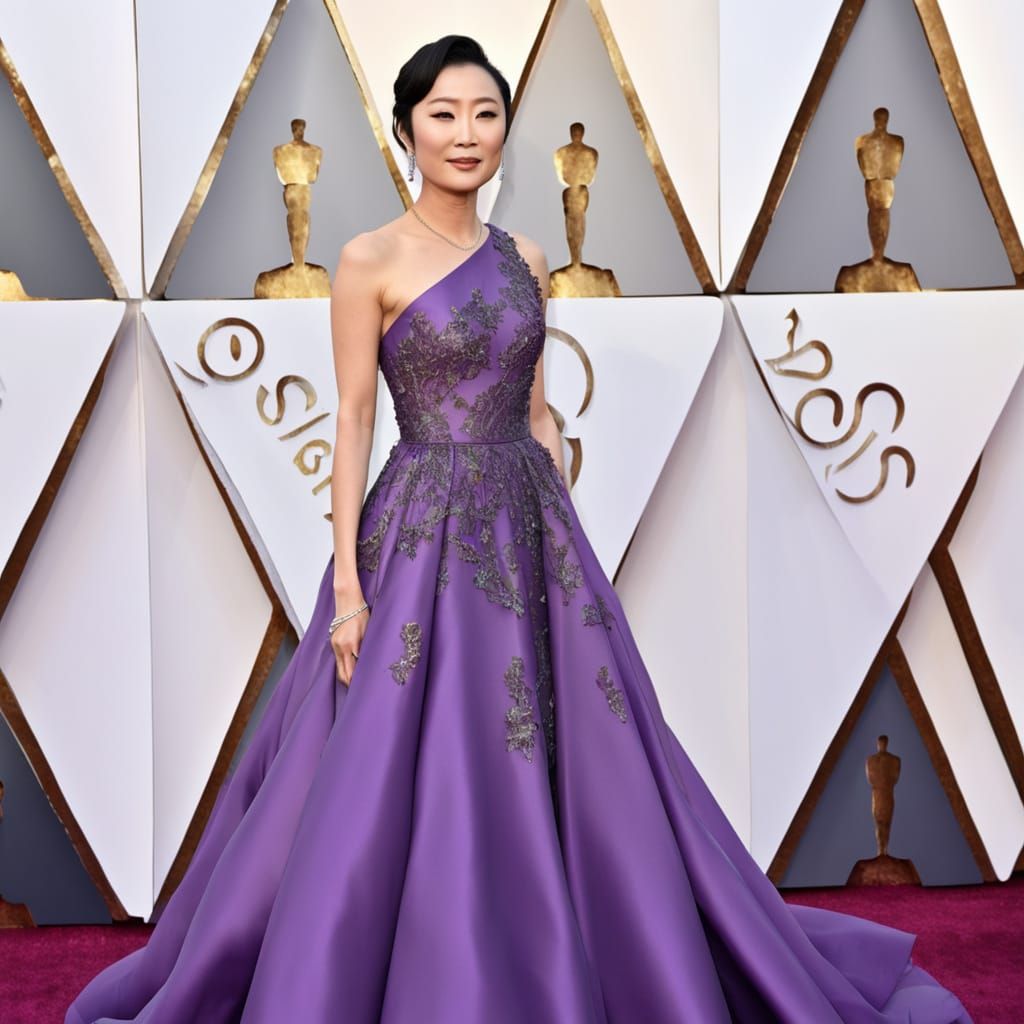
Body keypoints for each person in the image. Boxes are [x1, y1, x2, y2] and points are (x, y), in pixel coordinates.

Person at [66, 34, 973, 1024]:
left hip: (529, 521)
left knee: (581, 762)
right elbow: (355, 421)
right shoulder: (367, 258)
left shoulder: (525, 259)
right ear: (406, 129)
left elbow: (537, 415)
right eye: (444, 114)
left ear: (503, 130)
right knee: (401, 766)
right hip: (416, 531)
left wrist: (570, 555)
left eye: (485, 114)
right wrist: (345, 589)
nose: (466, 133)